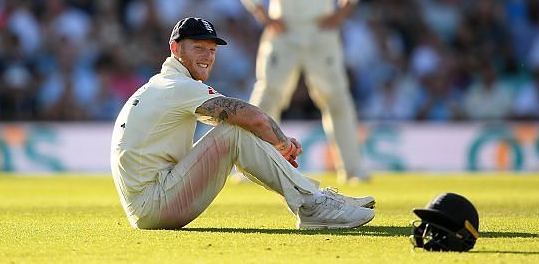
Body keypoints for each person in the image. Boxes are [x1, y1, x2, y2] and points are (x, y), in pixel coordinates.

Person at [110, 17, 375, 230]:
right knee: (235, 131)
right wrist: (282, 143)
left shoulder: (160, 85)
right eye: (198, 48)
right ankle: (312, 204)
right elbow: (253, 117)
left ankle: (313, 199)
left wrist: (270, 147)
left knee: (235, 131)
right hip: (154, 205)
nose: (207, 56)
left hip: (147, 204)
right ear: (175, 48)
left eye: (212, 50)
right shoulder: (178, 86)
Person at [231, 0, 368, 183]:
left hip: (321, 30)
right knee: (267, 97)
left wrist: (342, 11)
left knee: (337, 99)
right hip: (285, 30)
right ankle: (250, 169)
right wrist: (262, 13)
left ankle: (353, 170)